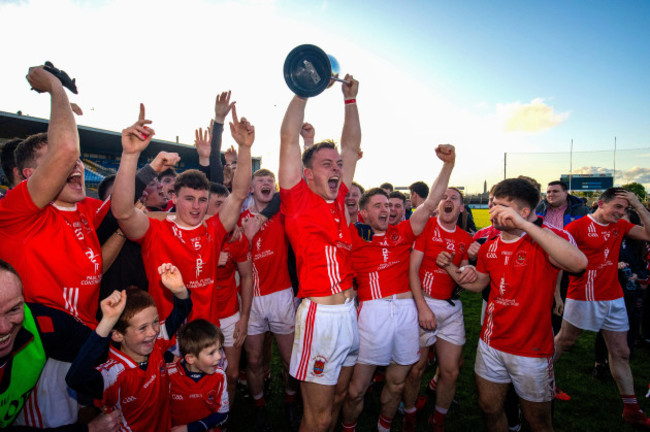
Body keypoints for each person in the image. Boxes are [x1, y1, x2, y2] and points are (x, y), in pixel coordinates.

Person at [439, 178, 587, 432]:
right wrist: (452, 268)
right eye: (493, 204)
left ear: (523, 212)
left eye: (501, 206)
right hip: (491, 344)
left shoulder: (543, 241)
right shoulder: (490, 247)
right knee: (489, 408)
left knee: (538, 422)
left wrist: (524, 226)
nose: (492, 211)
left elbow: (578, 264)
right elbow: (479, 285)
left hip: (532, 349)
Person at [341, 145, 455, 432]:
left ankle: (384, 426)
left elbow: (430, 204)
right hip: (372, 314)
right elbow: (337, 202)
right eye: (378, 205)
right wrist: (349, 162)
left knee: (396, 382)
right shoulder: (353, 234)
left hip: (406, 313)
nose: (386, 209)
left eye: (388, 205)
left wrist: (448, 165)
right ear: (364, 212)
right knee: (357, 389)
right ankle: (349, 426)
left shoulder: (402, 232)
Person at [111, 103, 254, 327]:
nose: (196, 206)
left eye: (202, 200)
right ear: (174, 199)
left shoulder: (214, 229)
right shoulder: (156, 231)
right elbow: (122, 211)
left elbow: (238, 194)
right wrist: (130, 154)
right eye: (189, 199)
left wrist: (245, 148)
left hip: (206, 334)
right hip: (167, 334)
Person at [279, 74, 360, 432]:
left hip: (349, 313)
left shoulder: (339, 196)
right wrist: (304, 88)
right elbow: (287, 139)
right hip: (320, 318)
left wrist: (350, 100)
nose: (337, 169)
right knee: (319, 415)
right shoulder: (297, 199)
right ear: (308, 173)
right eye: (328, 164)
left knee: (340, 399)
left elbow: (352, 146)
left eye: (338, 165)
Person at [554, 187, 650, 428]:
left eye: (625, 208)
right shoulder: (575, 228)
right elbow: (557, 261)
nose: (621, 212)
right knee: (565, 341)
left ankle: (631, 408)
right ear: (601, 204)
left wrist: (638, 206)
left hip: (614, 298)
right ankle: (540, 378)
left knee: (621, 353)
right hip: (584, 296)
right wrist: (557, 295)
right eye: (617, 207)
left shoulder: (621, 226)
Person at [66, 264, 192, 431]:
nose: (153, 332)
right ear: (118, 335)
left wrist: (180, 290)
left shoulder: (157, 342)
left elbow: (181, 311)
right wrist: (107, 322)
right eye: (142, 328)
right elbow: (75, 378)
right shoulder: (114, 373)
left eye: (155, 321)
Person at [0, 259, 121, 431]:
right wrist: (89, 429)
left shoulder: (37, 321)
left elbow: (91, 345)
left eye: (14, 309)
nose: (4, 328)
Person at [402, 186, 473, 432]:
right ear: (438, 204)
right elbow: (412, 270)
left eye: (454, 198)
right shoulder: (428, 227)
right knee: (416, 369)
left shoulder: (465, 238)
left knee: (451, 372)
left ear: (461, 207)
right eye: (444, 197)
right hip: (423, 303)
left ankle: (438, 418)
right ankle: (409, 414)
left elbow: (464, 277)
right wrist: (422, 308)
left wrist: (467, 270)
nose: (448, 200)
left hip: (452, 309)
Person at [241, 168, 299, 431]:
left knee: (289, 360)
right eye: (260, 181)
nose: (266, 183)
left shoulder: (283, 213)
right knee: (253, 361)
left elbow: (295, 188)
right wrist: (247, 236)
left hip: (281, 295)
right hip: (251, 299)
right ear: (251, 189)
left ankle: (289, 400)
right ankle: (260, 405)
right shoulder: (240, 217)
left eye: (269, 181)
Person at [168, 319, 229, 431]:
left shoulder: (219, 376)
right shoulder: (169, 375)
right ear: (190, 358)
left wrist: (190, 428)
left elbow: (223, 413)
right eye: (211, 353)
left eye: (219, 349)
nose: (219, 356)